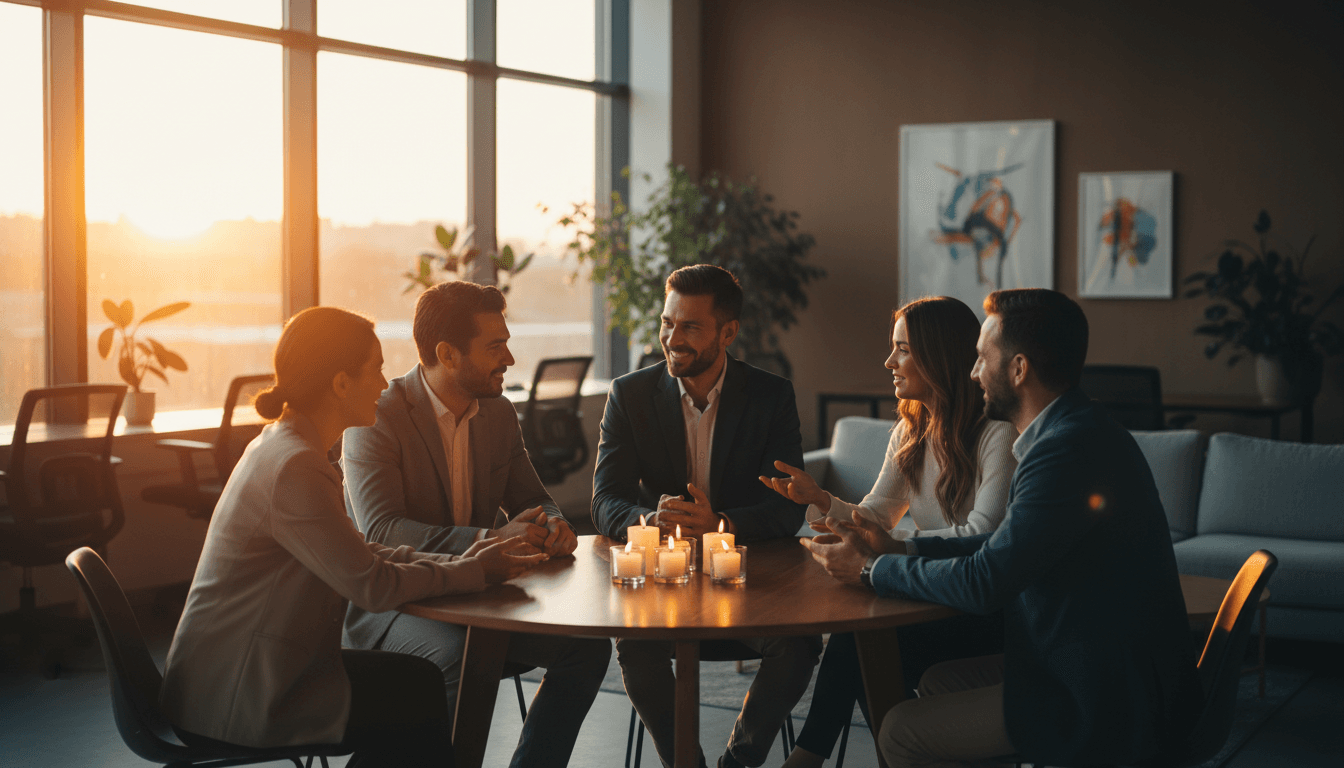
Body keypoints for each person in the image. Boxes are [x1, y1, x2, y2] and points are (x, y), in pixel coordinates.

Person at [802, 288, 1202, 768]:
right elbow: (997, 545)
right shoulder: (1077, 432)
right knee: (927, 682)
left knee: (899, 731)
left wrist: (872, 570)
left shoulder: (1062, 453)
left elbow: (986, 578)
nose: (973, 372)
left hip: (1098, 691)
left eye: (981, 358)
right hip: (1089, 658)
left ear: (1018, 369)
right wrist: (896, 553)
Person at [159, 306, 545, 768]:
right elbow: (372, 585)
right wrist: (474, 570)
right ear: (341, 384)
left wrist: (465, 562)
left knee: (416, 689)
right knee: (417, 697)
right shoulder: (295, 467)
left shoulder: (284, 445)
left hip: (235, 676)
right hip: (238, 694)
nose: (386, 384)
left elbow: (360, 552)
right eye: (376, 369)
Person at [340, 280, 612, 768]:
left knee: (585, 651)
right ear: (447, 353)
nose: (508, 358)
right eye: (495, 346)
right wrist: (490, 539)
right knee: (463, 657)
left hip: (481, 596)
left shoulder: (499, 413)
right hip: (396, 602)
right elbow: (381, 531)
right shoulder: (376, 416)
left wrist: (554, 526)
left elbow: (534, 499)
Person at [762, 296, 1017, 768]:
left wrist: (899, 548)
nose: (889, 362)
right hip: (931, 593)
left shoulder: (995, 433)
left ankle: (812, 758)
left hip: (982, 604)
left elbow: (985, 532)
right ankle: (859, 757)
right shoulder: (910, 430)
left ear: (938, 356)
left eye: (902, 349)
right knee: (862, 642)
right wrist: (819, 500)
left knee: (865, 645)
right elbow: (877, 514)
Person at [592, 264, 821, 768]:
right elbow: (604, 501)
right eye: (667, 322)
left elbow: (788, 506)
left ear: (728, 332)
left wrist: (722, 524)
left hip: (748, 585)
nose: (672, 338)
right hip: (661, 583)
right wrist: (650, 520)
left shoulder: (771, 397)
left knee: (799, 645)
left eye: (689, 327)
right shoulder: (629, 396)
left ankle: (738, 763)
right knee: (633, 647)